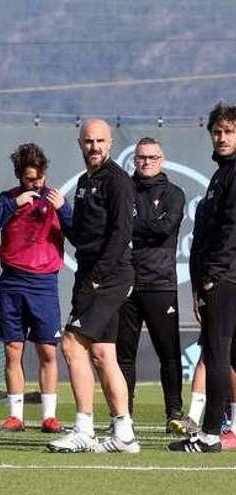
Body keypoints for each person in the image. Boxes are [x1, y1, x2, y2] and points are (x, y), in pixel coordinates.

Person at [47, 118, 138, 454]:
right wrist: (61, 215)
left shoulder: (118, 181)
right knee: (102, 353)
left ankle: (84, 429)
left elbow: (120, 235)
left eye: (100, 141)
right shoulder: (86, 182)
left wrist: (97, 276)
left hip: (109, 277)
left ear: (110, 143)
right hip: (92, 274)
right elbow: (85, 237)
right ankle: (124, 434)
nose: (95, 147)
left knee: (71, 344)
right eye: (89, 141)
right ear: (80, 143)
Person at [0, 143, 70, 434]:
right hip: (13, 283)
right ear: (20, 176)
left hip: (44, 284)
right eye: (31, 179)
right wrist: (11, 206)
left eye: (40, 177)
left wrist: (64, 209)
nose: (37, 183)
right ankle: (15, 416)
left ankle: (49, 417)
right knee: (13, 350)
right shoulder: (8, 199)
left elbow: (80, 232)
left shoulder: (55, 199)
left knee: (47, 351)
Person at [170, 103, 236, 452]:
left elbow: (230, 230)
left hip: (226, 280)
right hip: (218, 279)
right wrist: (199, 284)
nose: (221, 137)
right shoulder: (221, 173)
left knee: (217, 354)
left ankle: (211, 434)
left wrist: (211, 276)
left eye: (228, 131)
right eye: (216, 131)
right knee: (230, 355)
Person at [113, 137, 185, 432]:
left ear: (162, 159)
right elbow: (118, 227)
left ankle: (174, 413)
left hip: (160, 283)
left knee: (168, 352)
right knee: (123, 354)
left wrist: (134, 226)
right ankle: (123, 416)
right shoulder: (124, 190)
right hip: (126, 281)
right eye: (141, 157)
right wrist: (141, 226)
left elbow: (165, 229)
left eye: (152, 157)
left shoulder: (174, 193)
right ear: (135, 160)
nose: (146, 162)